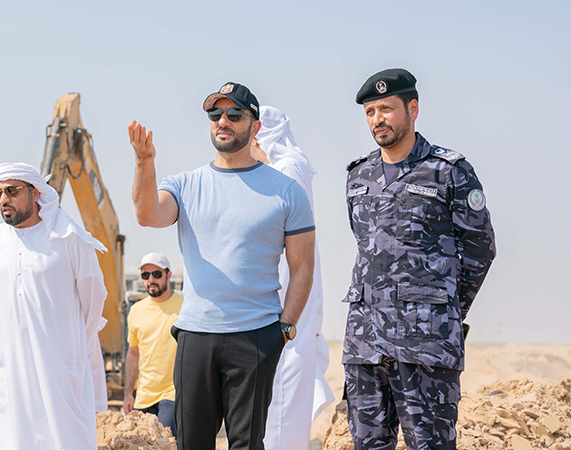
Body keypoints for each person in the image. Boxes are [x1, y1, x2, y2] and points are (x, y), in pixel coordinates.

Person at [129, 82, 316, 450]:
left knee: (246, 445)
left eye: (234, 114)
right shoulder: (185, 184)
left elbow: (302, 267)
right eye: (215, 115)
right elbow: (147, 215)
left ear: (255, 126)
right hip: (196, 336)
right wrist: (144, 162)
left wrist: (285, 329)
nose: (223, 121)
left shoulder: (286, 190)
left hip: (257, 334)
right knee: (192, 443)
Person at [343, 68, 496, 449]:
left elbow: (480, 248)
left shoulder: (449, 172)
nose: (378, 119)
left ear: (412, 109)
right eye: (370, 111)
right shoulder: (358, 175)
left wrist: (443, 308)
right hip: (365, 342)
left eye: (387, 108)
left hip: (426, 343)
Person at [0, 163, 107, 450]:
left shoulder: (68, 237)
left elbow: (94, 301)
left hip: (60, 370)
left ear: (36, 193)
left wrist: (71, 347)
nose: (4, 199)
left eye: (12, 191)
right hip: (11, 370)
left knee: (65, 439)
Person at [252, 106, 334, 450]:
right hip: (273, 313)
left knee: (281, 414)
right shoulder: (280, 169)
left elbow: (292, 254)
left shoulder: (288, 171)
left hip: (285, 314)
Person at [123, 252, 183, 438]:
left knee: (164, 440)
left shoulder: (184, 306)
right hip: (144, 394)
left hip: (172, 392)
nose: (151, 280)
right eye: (145, 275)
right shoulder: (136, 311)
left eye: (156, 274)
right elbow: (133, 354)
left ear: (168, 275)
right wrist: (128, 394)